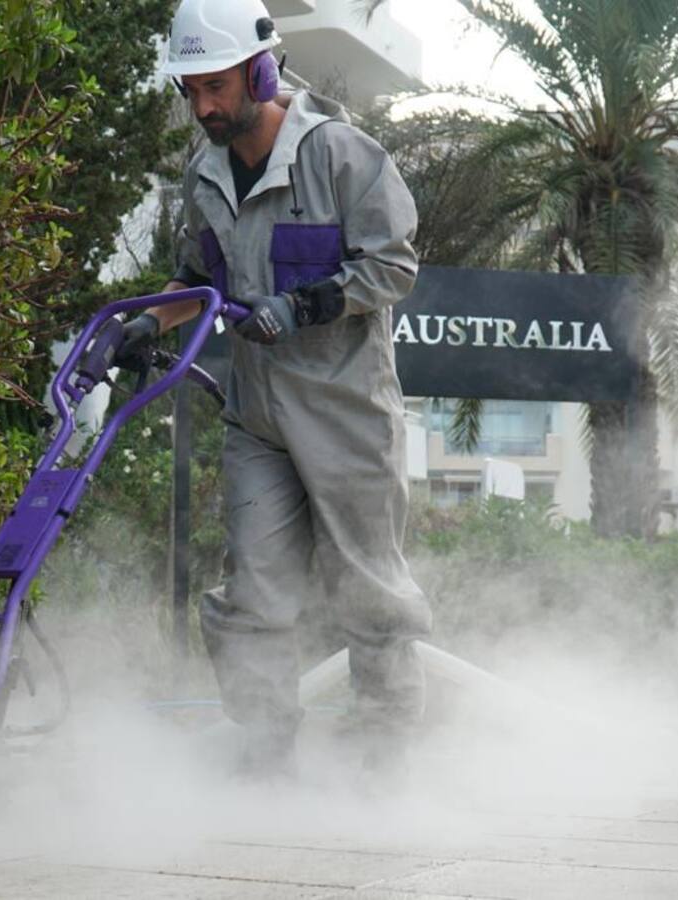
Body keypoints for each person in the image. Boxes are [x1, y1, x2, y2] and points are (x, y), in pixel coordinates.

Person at [116, 0, 431, 777]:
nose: (203, 107)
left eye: (215, 87)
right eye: (190, 90)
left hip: (346, 414)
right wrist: (146, 323)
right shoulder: (205, 173)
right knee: (252, 596)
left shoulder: (342, 156)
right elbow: (199, 278)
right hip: (258, 420)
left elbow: (393, 265)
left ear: (261, 72)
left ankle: (384, 761)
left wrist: (307, 303)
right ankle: (264, 760)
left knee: (370, 593)